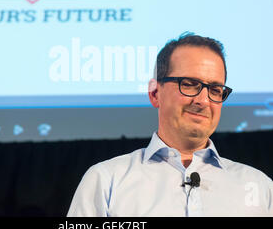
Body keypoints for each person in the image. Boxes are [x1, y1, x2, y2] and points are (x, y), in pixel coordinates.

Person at [67, 33, 273, 217]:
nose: (203, 100)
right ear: (155, 93)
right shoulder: (107, 181)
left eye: (215, 89)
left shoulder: (260, 187)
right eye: (189, 84)